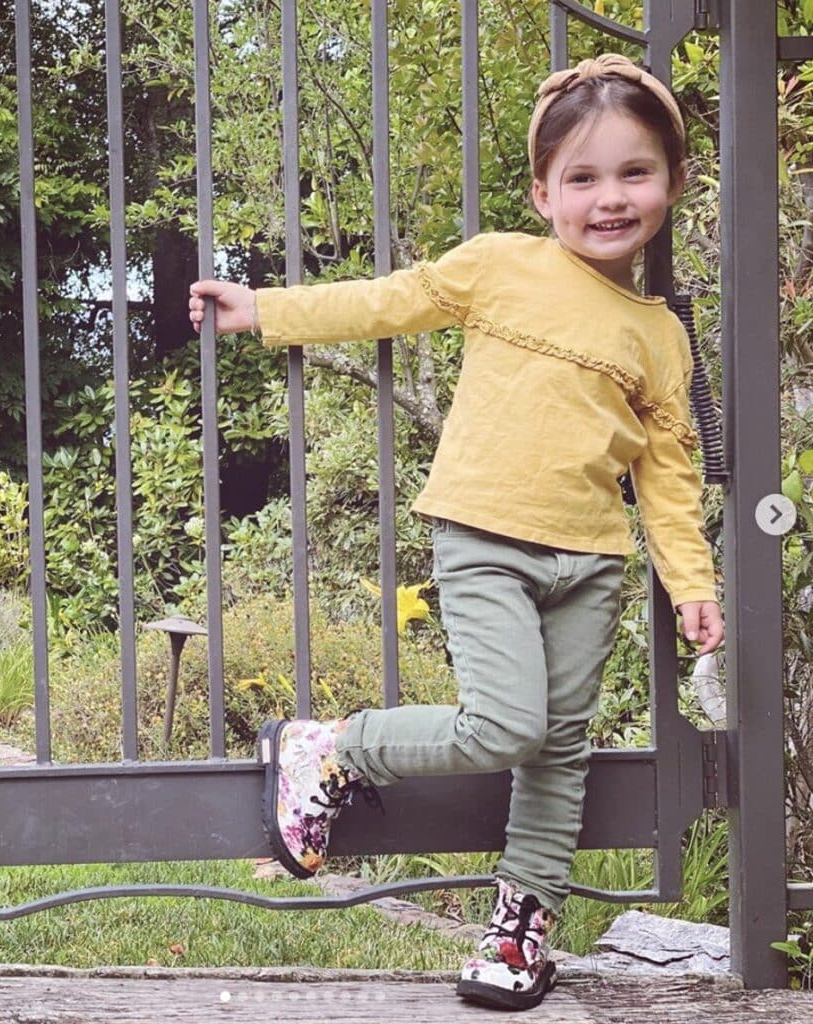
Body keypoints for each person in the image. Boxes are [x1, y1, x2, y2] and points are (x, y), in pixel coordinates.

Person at [188, 53, 724, 1012]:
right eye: (583, 178)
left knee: (558, 752)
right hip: (485, 540)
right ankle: (333, 747)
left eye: (635, 174)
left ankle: (519, 934)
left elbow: (668, 473)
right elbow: (385, 300)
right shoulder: (501, 264)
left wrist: (691, 582)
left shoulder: (659, 334)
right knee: (505, 726)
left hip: (594, 562)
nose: (610, 198)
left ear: (674, 184)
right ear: (543, 191)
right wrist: (263, 308)